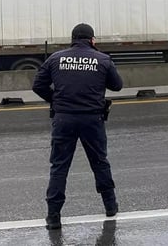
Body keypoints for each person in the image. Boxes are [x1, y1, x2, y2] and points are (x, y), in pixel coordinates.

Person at [32, 23, 124, 231]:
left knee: (59, 167)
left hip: (64, 119)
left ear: (72, 39)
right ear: (92, 39)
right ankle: (110, 206)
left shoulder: (56, 58)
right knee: (100, 162)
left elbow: (37, 85)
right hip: (92, 119)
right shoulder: (102, 59)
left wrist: (55, 101)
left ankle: (53, 216)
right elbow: (117, 85)